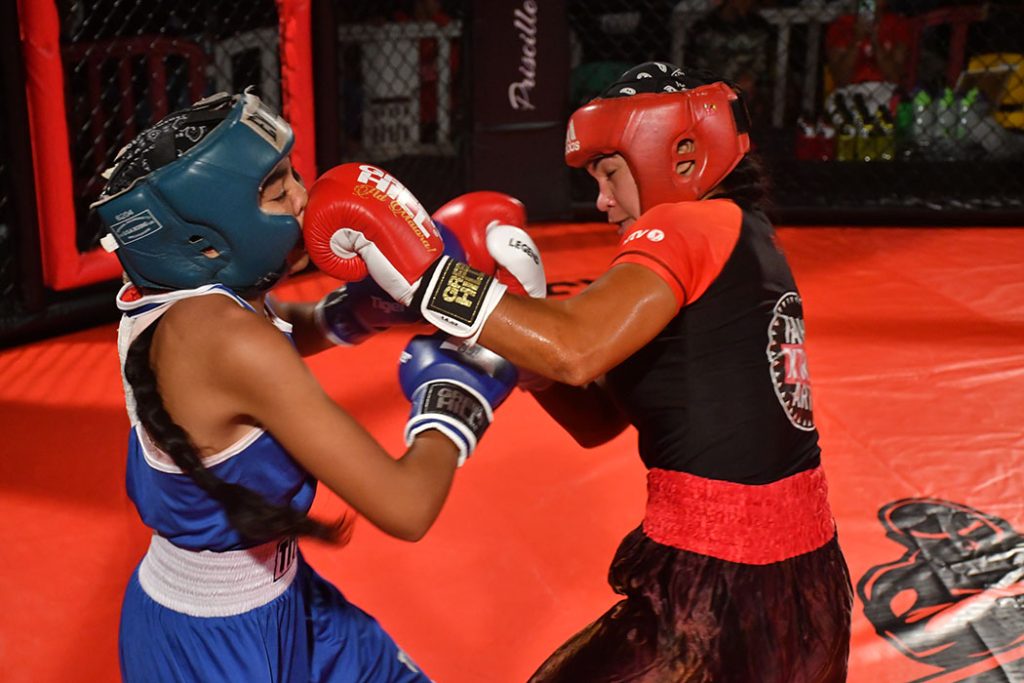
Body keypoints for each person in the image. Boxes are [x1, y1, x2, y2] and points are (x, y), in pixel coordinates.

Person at [304, 62, 854, 681]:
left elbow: (574, 349)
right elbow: (594, 416)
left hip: (724, 591)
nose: (603, 201)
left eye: (611, 173)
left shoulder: (688, 224)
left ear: (679, 155)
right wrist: (518, 351)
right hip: (799, 583)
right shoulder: (744, 238)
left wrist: (427, 275)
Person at [92, 90, 528, 682]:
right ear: (208, 238)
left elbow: (274, 334)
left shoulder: (183, 306)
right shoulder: (229, 343)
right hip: (211, 649)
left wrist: (355, 313)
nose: (304, 197)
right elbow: (405, 508)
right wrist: (459, 391)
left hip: (286, 597)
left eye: (292, 174)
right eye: (276, 190)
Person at [826, 0, 914, 112]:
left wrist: (876, 42)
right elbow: (841, 79)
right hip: (850, 90)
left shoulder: (897, 24)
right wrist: (857, 40)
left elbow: (895, 77)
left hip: (885, 88)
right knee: (835, 106)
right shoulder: (842, 25)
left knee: (881, 106)